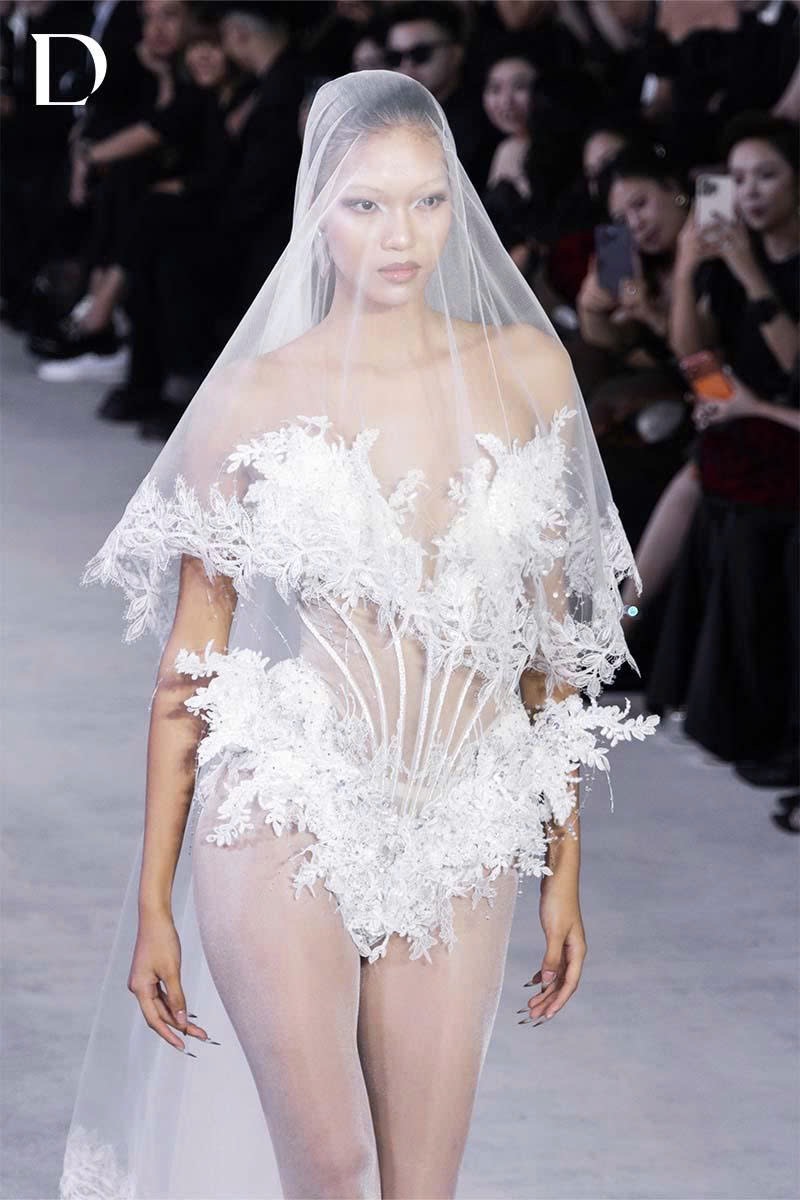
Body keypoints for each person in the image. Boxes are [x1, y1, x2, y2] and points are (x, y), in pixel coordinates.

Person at [58, 71, 659, 1200]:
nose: (400, 235)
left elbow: (552, 652)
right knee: (331, 1172)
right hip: (294, 798)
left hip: (466, 813)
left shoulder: (528, 372)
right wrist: (151, 905)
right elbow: (191, 665)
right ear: (316, 212)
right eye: (365, 204)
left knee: (419, 1185)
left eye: (427, 202)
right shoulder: (248, 398)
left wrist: (563, 870)